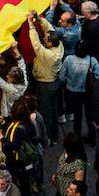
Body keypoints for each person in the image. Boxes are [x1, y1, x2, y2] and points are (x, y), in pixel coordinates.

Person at [27, 9, 64, 143]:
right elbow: (49, 28)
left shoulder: (49, 55)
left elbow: (36, 45)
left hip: (45, 86)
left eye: (45, 39)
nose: (43, 38)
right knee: (53, 110)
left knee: (45, 113)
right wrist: (38, 17)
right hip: (54, 83)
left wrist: (31, 24)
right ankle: (54, 135)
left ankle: (47, 137)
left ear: (49, 44)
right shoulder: (58, 45)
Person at [60, 40, 99, 135]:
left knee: (77, 115)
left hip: (72, 91)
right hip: (88, 92)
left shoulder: (68, 59)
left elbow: (62, 77)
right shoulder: (92, 60)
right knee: (89, 115)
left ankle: (77, 136)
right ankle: (92, 136)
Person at [0, 99, 32, 196]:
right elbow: (11, 132)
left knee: (20, 181)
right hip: (17, 160)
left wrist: (1, 137)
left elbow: (14, 145)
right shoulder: (21, 123)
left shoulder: (20, 128)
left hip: (17, 161)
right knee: (23, 180)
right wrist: (3, 122)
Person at [51, 132, 87, 196]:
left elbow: (79, 184)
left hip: (68, 195)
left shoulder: (79, 165)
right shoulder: (67, 152)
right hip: (61, 189)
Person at [0, 41, 28, 117]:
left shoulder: (10, 89)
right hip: (16, 108)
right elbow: (21, 63)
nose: (7, 76)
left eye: (9, 76)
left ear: (14, 80)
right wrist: (15, 50)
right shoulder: (24, 81)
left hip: (8, 112)